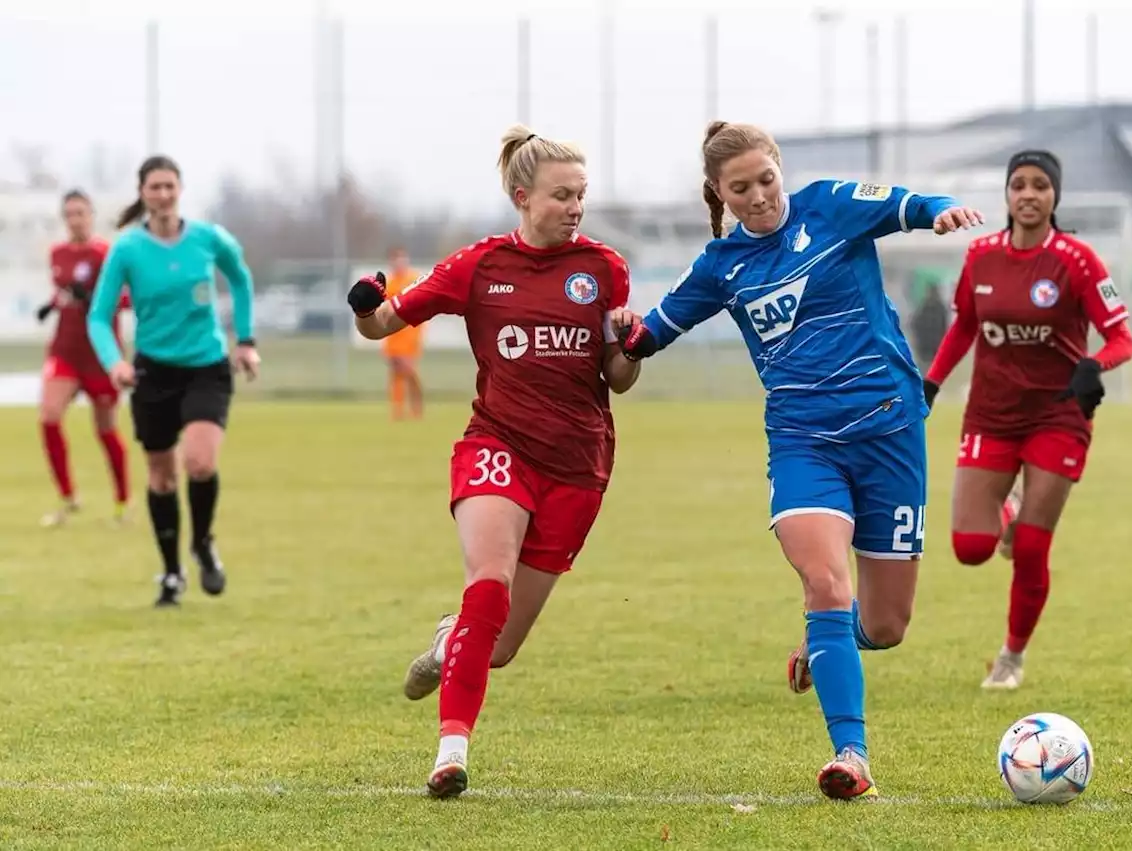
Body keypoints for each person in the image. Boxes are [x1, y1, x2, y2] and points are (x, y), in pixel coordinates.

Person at [614, 120, 983, 800]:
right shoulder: (720, 267)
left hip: (890, 432)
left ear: (780, 170)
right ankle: (852, 754)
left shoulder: (830, 204)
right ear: (719, 194)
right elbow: (649, 336)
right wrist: (617, 331)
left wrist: (941, 212)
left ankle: (827, 644)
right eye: (739, 188)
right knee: (824, 580)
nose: (757, 196)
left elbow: (909, 203)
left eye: (765, 180)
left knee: (887, 625)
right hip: (802, 441)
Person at [345, 125, 639, 799]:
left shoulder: (604, 270)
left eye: (582, 195)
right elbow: (381, 325)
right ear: (521, 196)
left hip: (578, 465)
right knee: (490, 581)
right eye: (562, 195)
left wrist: (632, 345)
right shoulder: (477, 266)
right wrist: (364, 301)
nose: (575, 207)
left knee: (498, 646)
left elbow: (617, 378)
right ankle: (451, 751)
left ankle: (451, 642)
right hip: (497, 446)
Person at [921, 150, 1132, 690]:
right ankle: (1008, 507)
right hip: (990, 415)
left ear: (1054, 196)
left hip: (1058, 415)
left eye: (1041, 185)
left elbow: (1121, 338)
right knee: (970, 549)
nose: (1029, 194)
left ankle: (1011, 658)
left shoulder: (1078, 260)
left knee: (1033, 548)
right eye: (1019, 184)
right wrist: (931, 383)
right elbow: (964, 328)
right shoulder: (981, 256)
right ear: (1007, 195)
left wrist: (1094, 365)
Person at [88, 155, 260, 607]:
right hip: (152, 371)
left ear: (180, 190)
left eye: (170, 186)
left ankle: (202, 542)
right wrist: (115, 363)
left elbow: (241, 280)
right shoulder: (126, 249)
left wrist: (245, 340)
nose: (163, 195)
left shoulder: (208, 238)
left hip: (206, 366)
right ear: (142, 193)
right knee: (161, 476)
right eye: (154, 188)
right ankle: (170, 573)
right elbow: (98, 317)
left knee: (199, 463)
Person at [37, 189, 131, 527]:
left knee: (105, 429)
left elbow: (126, 301)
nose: (75, 219)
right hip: (65, 351)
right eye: (70, 214)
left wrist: (91, 297)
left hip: (100, 355)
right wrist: (51, 305)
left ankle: (122, 504)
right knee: (49, 416)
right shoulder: (57, 253)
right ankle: (68, 497)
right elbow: (63, 291)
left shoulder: (107, 254)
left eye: (81, 213)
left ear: (91, 216)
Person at [381, 246, 426, 419]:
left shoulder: (413, 280)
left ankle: (417, 408)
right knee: (395, 375)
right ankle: (397, 410)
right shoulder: (388, 283)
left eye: (401, 259)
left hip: (409, 334)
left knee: (410, 373)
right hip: (392, 337)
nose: (398, 263)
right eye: (395, 259)